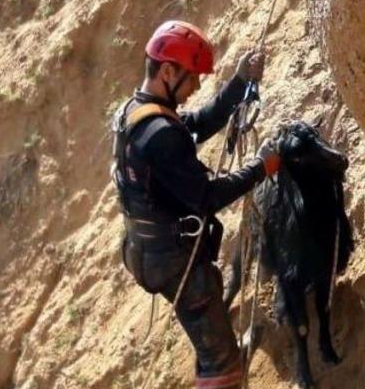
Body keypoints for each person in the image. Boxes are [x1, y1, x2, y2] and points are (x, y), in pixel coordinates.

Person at [111, 20, 280, 389]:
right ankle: (223, 369)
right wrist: (262, 167)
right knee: (220, 364)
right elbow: (208, 198)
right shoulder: (159, 135)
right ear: (168, 71)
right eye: (192, 78)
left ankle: (221, 355)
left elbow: (196, 124)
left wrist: (238, 84)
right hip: (173, 262)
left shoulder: (135, 114)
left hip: (145, 249)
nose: (197, 87)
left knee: (211, 336)